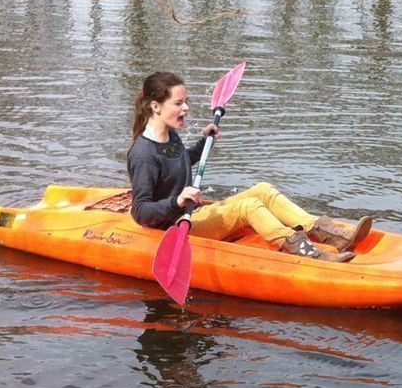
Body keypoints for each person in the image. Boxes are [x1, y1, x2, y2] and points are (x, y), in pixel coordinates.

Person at [125, 70, 372, 263]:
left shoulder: (168, 136)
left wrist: (203, 144)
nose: (186, 108)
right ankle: (307, 252)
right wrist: (177, 202)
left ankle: (331, 234)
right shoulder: (144, 154)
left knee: (263, 190)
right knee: (249, 206)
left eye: (185, 101)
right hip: (175, 227)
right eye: (178, 103)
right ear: (156, 106)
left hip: (189, 213)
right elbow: (140, 211)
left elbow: (177, 164)